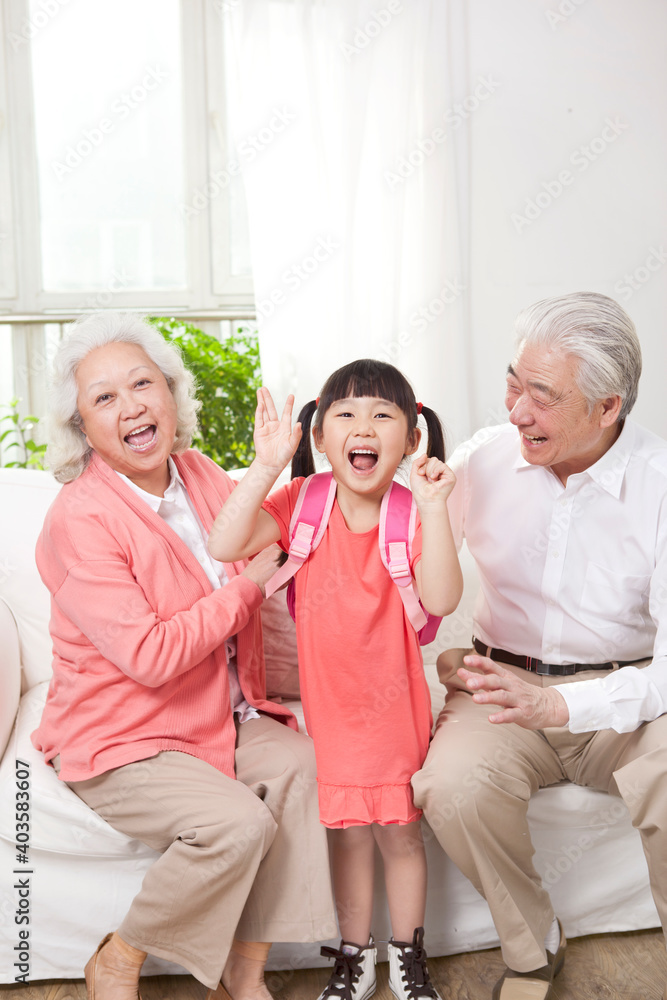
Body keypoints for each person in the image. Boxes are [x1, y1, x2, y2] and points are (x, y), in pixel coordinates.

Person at [31, 312, 336, 1000]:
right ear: (82, 428)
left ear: (171, 396)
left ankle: (244, 972)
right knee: (236, 822)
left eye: (143, 384)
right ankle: (120, 954)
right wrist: (245, 591)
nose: (132, 406)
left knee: (301, 768)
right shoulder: (79, 520)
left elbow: (268, 547)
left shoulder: (198, 473)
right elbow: (150, 654)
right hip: (124, 735)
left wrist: (266, 477)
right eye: (104, 398)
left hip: (221, 714)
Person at [410, 291, 667, 1000]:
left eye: (542, 396)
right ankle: (532, 947)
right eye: (512, 383)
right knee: (451, 787)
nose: (516, 410)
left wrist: (560, 704)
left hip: (627, 699)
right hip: (498, 688)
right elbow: (410, 586)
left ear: (606, 406)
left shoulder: (659, 486)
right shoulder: (482, 460)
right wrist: (433, 653)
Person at [208, 359, 463, 1000]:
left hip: (396, 711)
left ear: (412, 438)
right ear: (319, 438)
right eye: (345, 414)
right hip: (330, 715)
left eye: (383, 415)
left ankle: (407, 956)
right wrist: (266, 465)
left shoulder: (412, 511)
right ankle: (355, 956)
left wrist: (435, 509)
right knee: (348, 838)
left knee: (401, 837)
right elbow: (224, 541)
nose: (364, 426)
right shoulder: (301, 504)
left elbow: (443, 599)